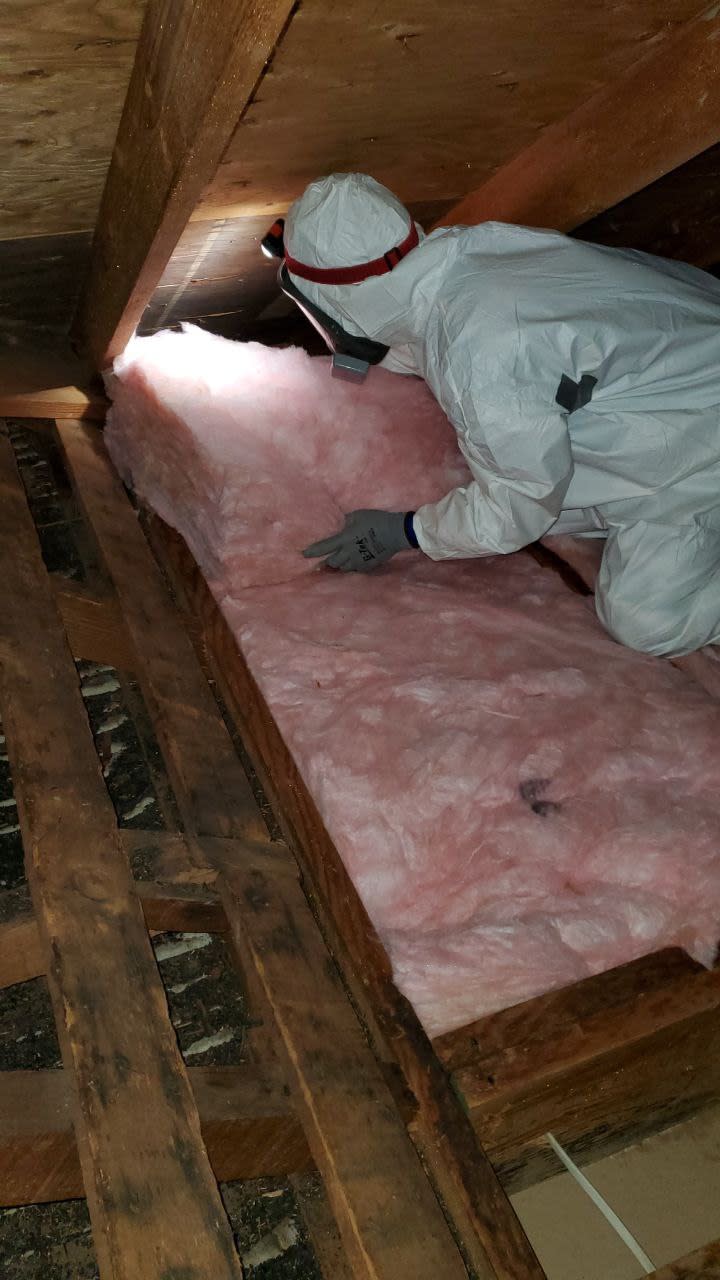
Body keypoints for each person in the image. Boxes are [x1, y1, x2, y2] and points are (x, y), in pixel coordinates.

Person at [273, 172, 720, 657]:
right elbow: (426, 339)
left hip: (697, 438)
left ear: (336, 301)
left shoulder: (480, 354)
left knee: (645, 622)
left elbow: (518, 508)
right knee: (547, 492)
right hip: (684, 369)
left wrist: (406, 531)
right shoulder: (466, 258)